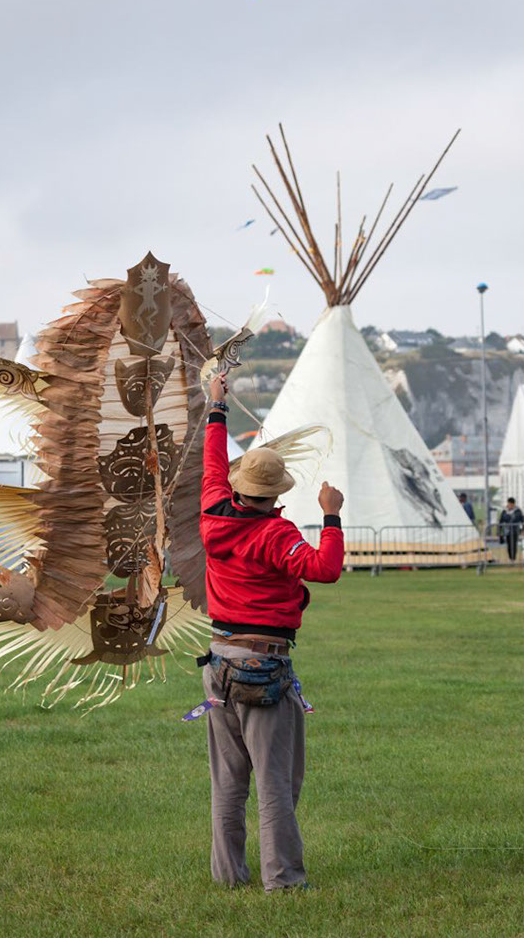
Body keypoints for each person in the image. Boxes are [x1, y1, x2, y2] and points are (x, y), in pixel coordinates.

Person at [199, 372, 344, 892]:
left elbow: (213, 463)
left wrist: (216, 407)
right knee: (276, 782)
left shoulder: (213, 515)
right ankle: (282, 879)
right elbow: (325, 569)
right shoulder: (276, 533)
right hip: (265, 663)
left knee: (228, 780)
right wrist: (331, 517)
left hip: (218, 660)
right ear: (275, 494)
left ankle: (228, 876)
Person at [498, 497, 523, 562]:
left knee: (514, 544)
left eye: (511, 504)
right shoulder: (504, 511)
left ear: (513, 504)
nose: (509, 505)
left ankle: (513, 558)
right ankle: (510, 558)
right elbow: (501, 521)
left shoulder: (518, 511)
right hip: (507, 530)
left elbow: (521, 520)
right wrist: (500, 531)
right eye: (509, 504)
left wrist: (522, 529)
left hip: (515, 530)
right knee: (509, 544)